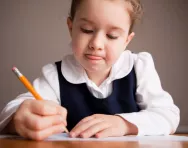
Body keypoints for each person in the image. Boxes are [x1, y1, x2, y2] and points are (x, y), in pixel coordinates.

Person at [0, 0, 180, 141]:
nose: (96, 44)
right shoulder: (55, 75)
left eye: (112, 36)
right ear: (71, 28)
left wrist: (124, 124)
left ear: (126, 40)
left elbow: (168, 115)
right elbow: (12, 112)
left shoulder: (139, 67)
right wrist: (18, 119)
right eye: (87, 30)